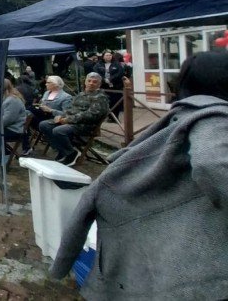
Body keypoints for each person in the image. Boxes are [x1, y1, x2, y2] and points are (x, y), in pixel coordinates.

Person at [50, 51, 228, 299]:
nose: (90, 83)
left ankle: (68, 152)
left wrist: (62, 263)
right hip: (188, 274)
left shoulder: (175, 120)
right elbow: (212, 164)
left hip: (143, 259)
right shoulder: (214, 116)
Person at [37, 72, 109, 166]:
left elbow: (90, 115)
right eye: (89, 81)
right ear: (85, 82)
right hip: (72, 122)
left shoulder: (100, 98)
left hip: (85, 125)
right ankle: (63, 151)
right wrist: (62, 116)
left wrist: (68, 120)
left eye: (94, 82)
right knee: (44, 125)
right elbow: (70, 109)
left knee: (58, 130)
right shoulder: (81, 94)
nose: (91, 83)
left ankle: (71, 153)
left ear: (99, 84)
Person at [94, 50, 125, 121]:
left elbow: (120, 73)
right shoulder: (99, 64)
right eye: (107, 55)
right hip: (104, 87)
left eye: (110, 55)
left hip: (115, 86)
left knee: (115, 102)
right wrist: (104, 80)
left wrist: (111, 79)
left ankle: (114, 118)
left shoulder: (116, 64)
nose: (109, 56)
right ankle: (106, 117)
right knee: (105, 102)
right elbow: (96, 72)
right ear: (103, 57)